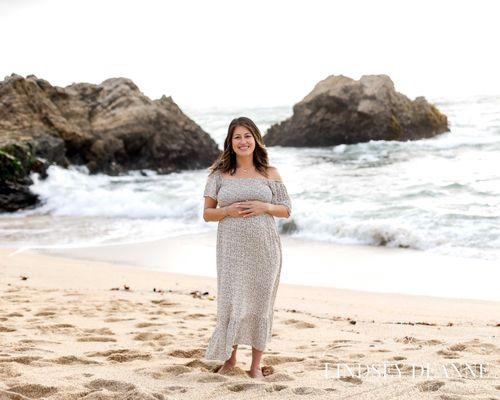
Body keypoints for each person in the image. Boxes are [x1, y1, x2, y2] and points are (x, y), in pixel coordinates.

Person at [202, 116, 292, 379]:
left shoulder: (270, 173)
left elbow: (286, 210)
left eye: (248, 136)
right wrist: (227, 210)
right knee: (232, 302)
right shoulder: (219, 175)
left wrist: (265, 207)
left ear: (256, 139)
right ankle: (229, 361)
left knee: (260, 304)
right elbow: (207, 214)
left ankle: (255, 366)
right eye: (237, 137)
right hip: (231, 249)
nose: (243, 141)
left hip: (265, 248)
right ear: (230, 142)